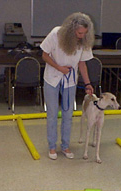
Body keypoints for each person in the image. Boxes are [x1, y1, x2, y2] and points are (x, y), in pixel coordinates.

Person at [40, 12, 95, 160]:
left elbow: (82, 63)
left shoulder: (84, 41)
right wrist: (59, 68)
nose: (82, 35)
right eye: (79, 33)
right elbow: (44, 55)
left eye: (85, 33)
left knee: (68, 114)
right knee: (52, 114)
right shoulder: (56, 33)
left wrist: (88, 83)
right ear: (71, 30)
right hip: (52, 78)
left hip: (70, 81)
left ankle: (65, 146)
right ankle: (52, 147)